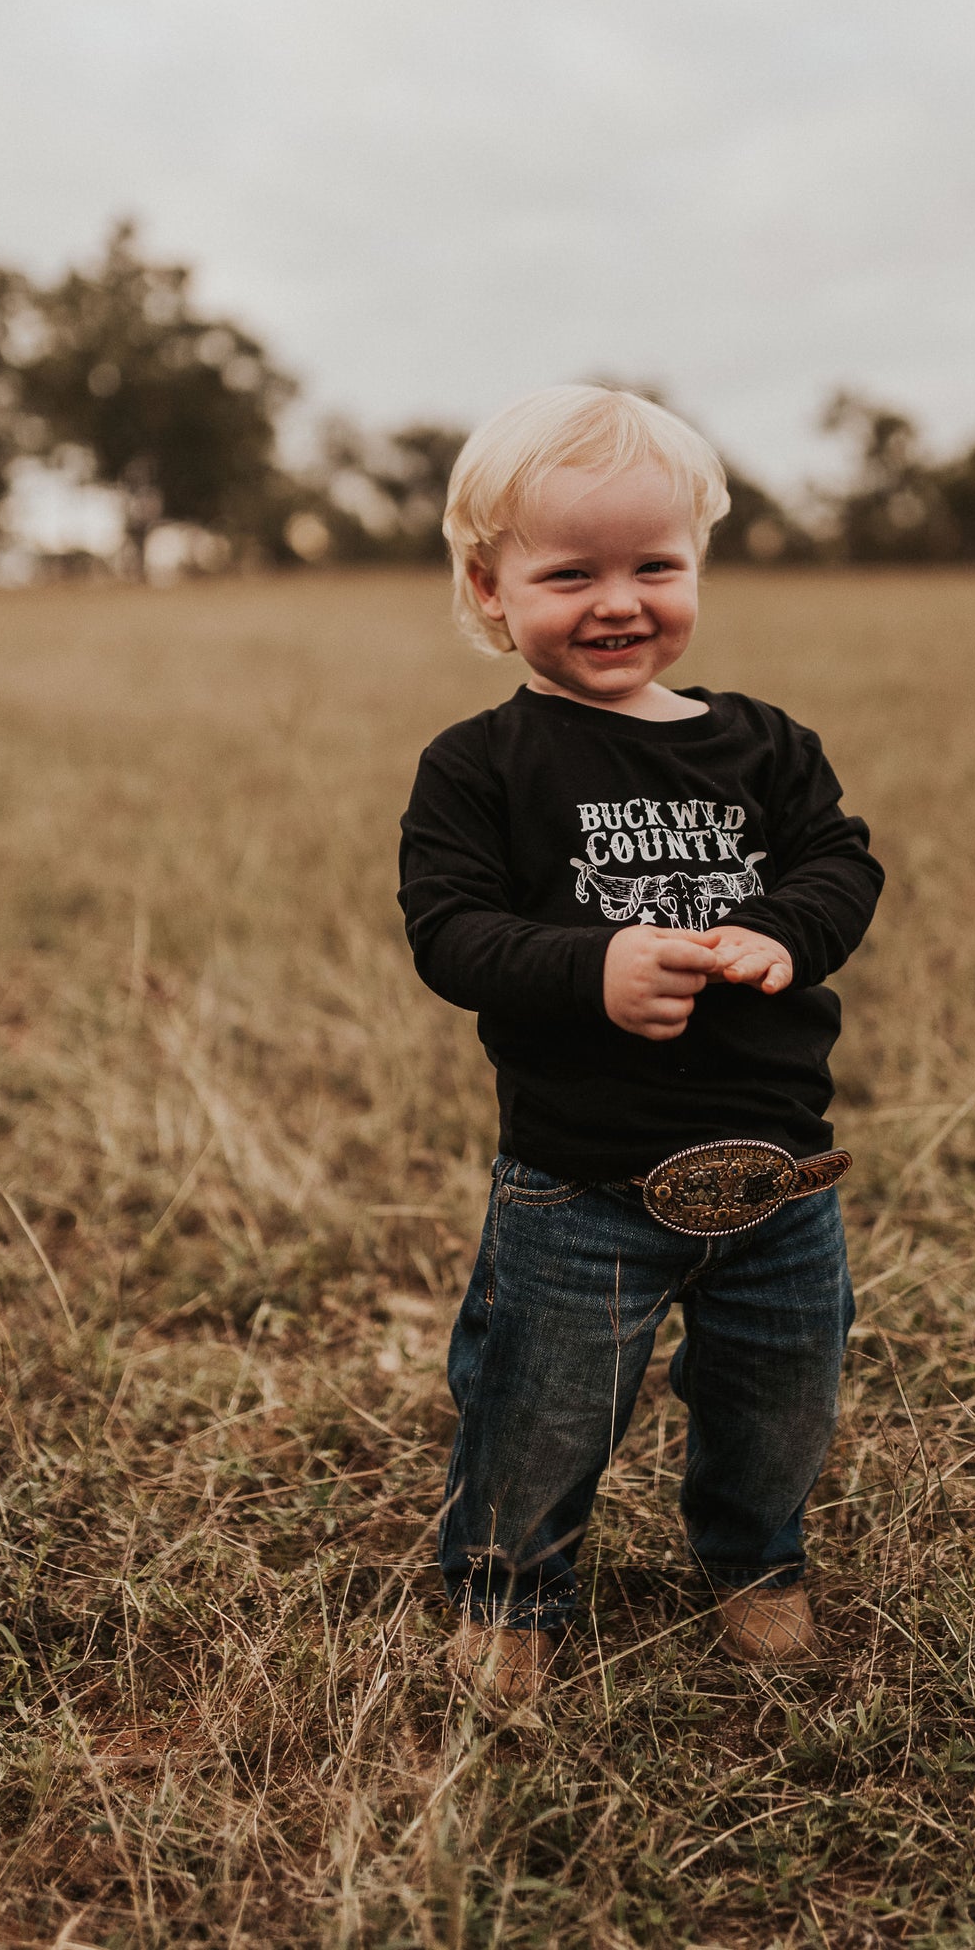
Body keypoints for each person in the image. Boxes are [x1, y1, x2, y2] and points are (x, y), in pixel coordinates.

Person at [398, 386, 884, 1704]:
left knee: (777, 1400)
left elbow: (841, 863)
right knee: (539, 1411)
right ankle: (510, 1591)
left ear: (697, 566)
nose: (618, 601)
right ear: (489, 590)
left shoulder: (765, 747)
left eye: (653, 566)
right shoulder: (480, 766)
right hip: (581, 1187)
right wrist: (592, 968)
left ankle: (754, 1561)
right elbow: (449, 934)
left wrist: (784, 931)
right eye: (570, 574)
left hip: (777, 1182)